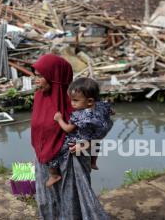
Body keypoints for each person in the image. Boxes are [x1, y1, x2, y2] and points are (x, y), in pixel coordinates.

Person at [31, 54, 109, 219]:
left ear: (55, 77)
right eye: (35, 76)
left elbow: (101, 126)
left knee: (71, 200)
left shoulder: (76, 101)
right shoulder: (40, 97)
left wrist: (87, 145)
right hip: (45, 158)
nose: (36, 80)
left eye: (40, 76)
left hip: (70, 161)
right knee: (48, 199)